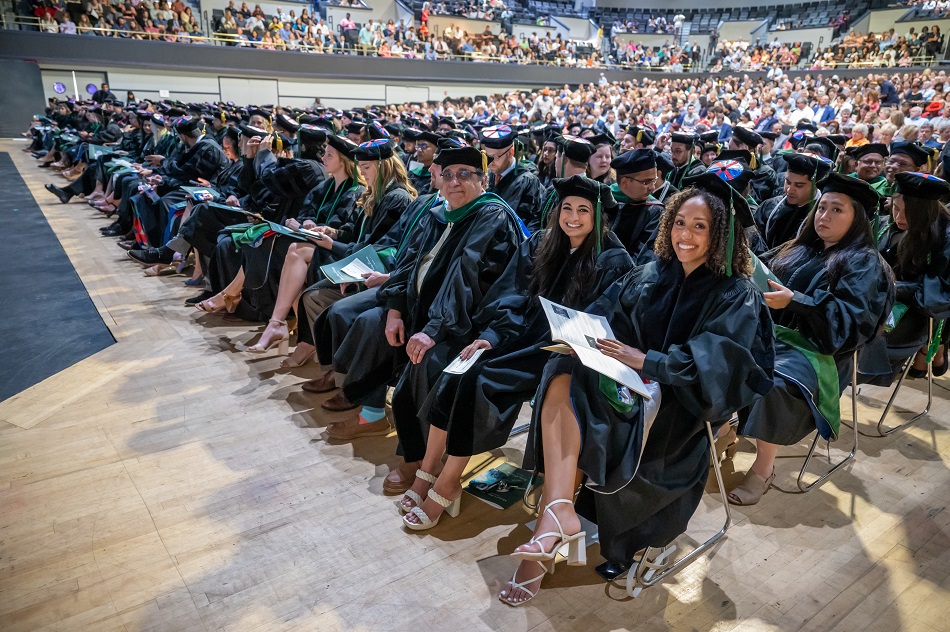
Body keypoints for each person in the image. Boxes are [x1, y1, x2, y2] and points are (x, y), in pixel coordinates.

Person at [499, 173, 774, 605]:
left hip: (680, 404)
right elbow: (606, 313)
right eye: (680, 222)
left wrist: (646, 361)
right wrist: (579, 334)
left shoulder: (736, 293)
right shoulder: (651, 272)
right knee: (562, 367)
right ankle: (558, 514)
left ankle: (554, 526)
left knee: (581, 390)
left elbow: (717, 360)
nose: (685, 234)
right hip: (628, 385)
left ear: (721, 233)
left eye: (699, 226)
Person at [397, 175, 634, 527]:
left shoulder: (613, 260)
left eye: (583, 210)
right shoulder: (541, 242)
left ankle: (448, 484)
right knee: (457, 369)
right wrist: (491, 336)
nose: (572, 217)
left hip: (560, 354)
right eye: (566, 207)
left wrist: (570, 343)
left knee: (479, 381)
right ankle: (428, 471)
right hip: (516, 337)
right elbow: (511, 297)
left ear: (598, 216)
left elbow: (605, 319)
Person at [382, 145, 528, 523]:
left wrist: (433, 329)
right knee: (393, 345)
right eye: (448, 174)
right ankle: (417, 459)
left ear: (484, 179)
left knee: (432, 363)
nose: (455, 181)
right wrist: (395, 308)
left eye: (466, 173)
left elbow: (466, 278)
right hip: (430, 319)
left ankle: (427, 467)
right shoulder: (438, 213)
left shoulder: (491, 215)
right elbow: (407, 261)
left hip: (472, 325)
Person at [733, 174, 893, 506]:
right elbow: (766, 268)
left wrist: (796, 302)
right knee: (717, 352)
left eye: (837, 210)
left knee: (771, 382)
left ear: (858, 219)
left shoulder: (864, 263)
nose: (824, 216)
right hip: (775, 335)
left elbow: (849, 325)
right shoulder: (802, 246)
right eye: (822, 208)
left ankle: (763, 469)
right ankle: (720, 431)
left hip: (820, 353)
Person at [859, 172, 950, 383]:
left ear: (926, 213)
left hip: (918, 313)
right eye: (896, 209)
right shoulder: (887, 226)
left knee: (854, 334)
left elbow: (938, 296)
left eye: (909, 213)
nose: (899, 218)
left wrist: (894, 287)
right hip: (885, 301)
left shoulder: (944, 238)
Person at [755, 152, 833, 250]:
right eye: (787, 182)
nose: (789, 190)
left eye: (799, 185)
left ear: (816, 185)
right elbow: (755, 240)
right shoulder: (771, 205)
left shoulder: (821, 217)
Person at [480, 124, 542, 230]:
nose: (490, 163)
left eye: (495, 157)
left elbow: (525, 224)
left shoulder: (528, 181)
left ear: (510, 152)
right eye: (487, 157)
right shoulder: (488, 175)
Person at [607, 148, 664, 257]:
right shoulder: (603, 199)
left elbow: (644, 256)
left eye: (654, 180)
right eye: (646, 182)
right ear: (625, 182)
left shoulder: (654, 211)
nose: (652, 188)